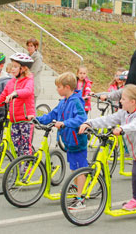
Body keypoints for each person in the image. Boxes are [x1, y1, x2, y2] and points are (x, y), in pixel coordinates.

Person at [79, 85, 136, 223]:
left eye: (123, 99)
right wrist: (89, 123)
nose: (120, 101)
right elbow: (107, 119)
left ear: (132, 102)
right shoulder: (123, 113)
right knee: (135, 175)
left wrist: (122, 128)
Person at [34, 72, 89, 209]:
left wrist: (65, 123)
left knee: (80, 169)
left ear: (67, 87)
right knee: (73, 167)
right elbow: (53, 114)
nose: (57, 89)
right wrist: (37, 118)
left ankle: (80, 199)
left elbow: (81, 118)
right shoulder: (63, 101)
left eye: (58, 87)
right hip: (69, 141)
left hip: (78, 140)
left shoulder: (76, 101)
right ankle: (76, 188)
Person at [0, 53, 35, 157]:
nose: (12, 69)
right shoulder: (11, 82)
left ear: (24, 68)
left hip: (25, 120)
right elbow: (1, 98)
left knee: (25, 149)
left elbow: (28, 91)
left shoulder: (28, 80)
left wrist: (15, 93)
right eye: (12, 66)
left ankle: (27, 171)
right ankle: (19, 171)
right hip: (14, 120)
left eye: (16, 67)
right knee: (17, 150)